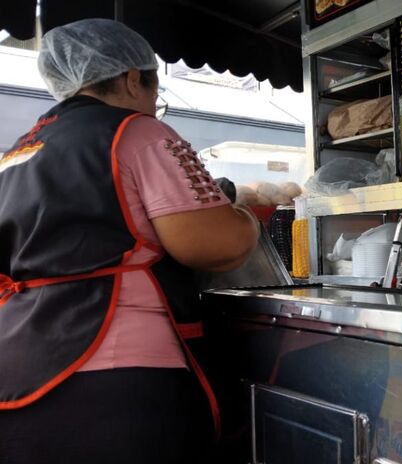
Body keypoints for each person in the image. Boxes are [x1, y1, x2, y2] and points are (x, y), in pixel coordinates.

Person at [0, 19, 260, 464]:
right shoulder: (136, 132)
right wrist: (247, 219)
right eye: (156, 91)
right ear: (133, 78)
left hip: (17, 374)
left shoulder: (18, 152)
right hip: (117, 380)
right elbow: (216, 245)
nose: (156, 104)